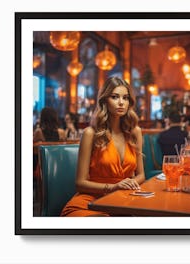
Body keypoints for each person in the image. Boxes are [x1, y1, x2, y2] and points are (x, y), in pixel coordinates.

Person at [61, 77, 145, 217]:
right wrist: (113, 187)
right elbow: (80, 183)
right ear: (105, 100)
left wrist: (128, 185)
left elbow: (141, 175)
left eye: (125, 98)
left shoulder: (134, 132)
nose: (121, 103)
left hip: (123, 199)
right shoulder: (90, 133)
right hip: (90, 202)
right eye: (114, 97)